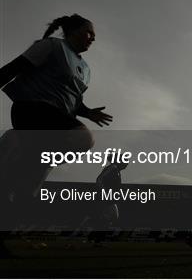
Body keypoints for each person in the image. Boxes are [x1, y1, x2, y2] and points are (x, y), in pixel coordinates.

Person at [0, 14, 112, 257]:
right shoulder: (51, 47)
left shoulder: (86, 69)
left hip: (56, 122)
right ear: (71, 31)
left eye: (94, 35)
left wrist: (88, 111)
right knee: (83, 139)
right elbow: (13, 69)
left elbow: (73, 100)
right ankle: (20, 160)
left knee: (27, 190)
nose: (93, 38)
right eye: (89, 32)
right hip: (32, 110)